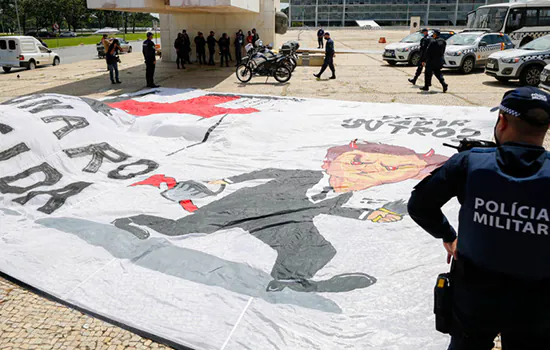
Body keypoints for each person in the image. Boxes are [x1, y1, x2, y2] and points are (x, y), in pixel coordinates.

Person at [113, 140, 447, 293]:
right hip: (242, 208)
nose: (366, 172)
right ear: (331, 160)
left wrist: (369, 214)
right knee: (182, 229)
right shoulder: (300, 175)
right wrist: (223, 182)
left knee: (320, 250)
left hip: (285, 222)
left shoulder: (344, 194)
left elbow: (337, 208)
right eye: (357, 162)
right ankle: (133, 221)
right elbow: (264, 170)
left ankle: (288, 280)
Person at [408, 87, 550, 350]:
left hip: (475, 298)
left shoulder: (469, 164)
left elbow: (420, 206)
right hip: (537, 303)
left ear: (502, 121)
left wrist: (448, 236)